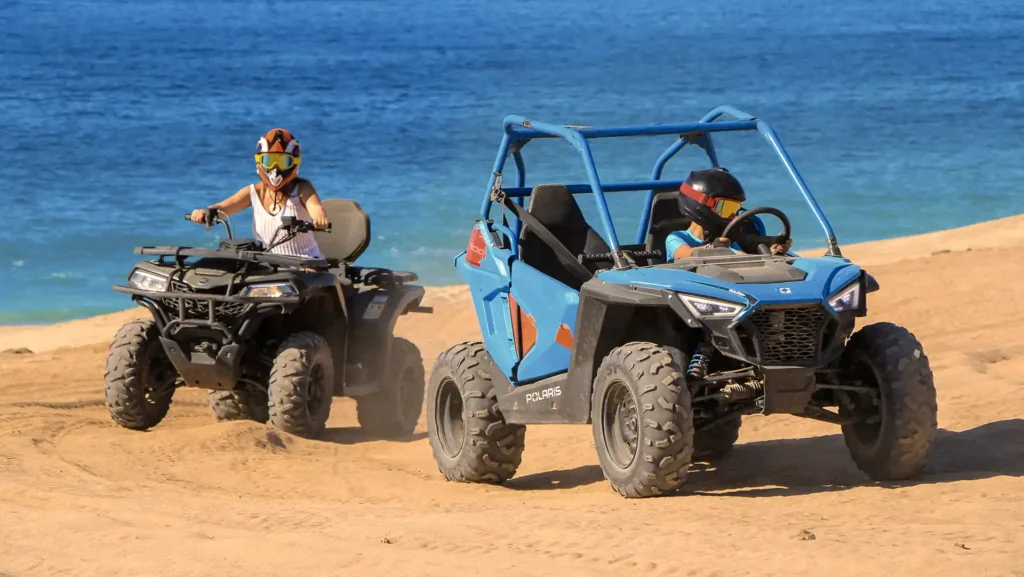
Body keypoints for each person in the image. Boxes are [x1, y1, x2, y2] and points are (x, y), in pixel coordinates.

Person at [189, 128, 329, 258]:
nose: (275, 168)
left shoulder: (302, 188)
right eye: (269, 161)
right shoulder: (254, 192)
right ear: (260, 162)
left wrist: (319, 218)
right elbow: (223, 208)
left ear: (294, 163)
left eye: (283, 162)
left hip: (306, 262)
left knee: (299, 275)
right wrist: (205, 212)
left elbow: (316, 207)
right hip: (269, 265)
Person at [665, 167, 792, 261]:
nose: (733, 216)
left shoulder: (725, 240)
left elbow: (742, 258)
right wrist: (713, 249)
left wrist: (774, 252)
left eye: (735, 208)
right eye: (725, 208)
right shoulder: (676, 238)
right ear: (700, 203)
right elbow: (686, 253)